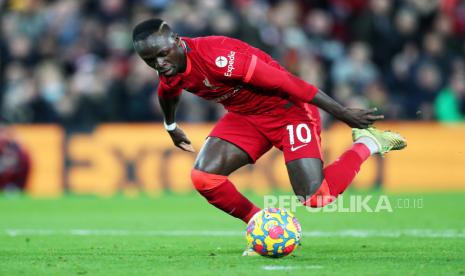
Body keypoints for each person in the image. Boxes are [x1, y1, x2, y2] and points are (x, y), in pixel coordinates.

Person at [132, 18, 406, 253]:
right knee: (204, 178)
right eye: (150, 60)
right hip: (245, 116)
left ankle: (369, 143)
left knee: (316, 197)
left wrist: (343, 113)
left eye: (162, 54)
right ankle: (261, 224)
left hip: (288, 109)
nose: (159, 64)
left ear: (177, 41)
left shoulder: (218, 57)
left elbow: (287, 82)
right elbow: (167, 92)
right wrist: (171, 126)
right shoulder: (170, 68)